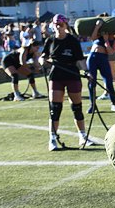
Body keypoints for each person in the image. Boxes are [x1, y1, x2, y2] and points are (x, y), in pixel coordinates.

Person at [39, 14, 92, 151]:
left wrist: (87, 71)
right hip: (56, 76)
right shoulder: (49, 41)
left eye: (61, 24)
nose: (58, 27)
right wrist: (42, 60)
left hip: (72, 75)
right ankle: (52, 138)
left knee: (77, 107)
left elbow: (80, 60)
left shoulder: (73, 41)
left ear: (65, 25)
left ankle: (83, 136)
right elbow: (43, 56)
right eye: (56, 24)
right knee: (55, 109)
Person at [85, 20, 115, 113]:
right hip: (92, 58)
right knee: (92, 82)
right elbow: (92, 38)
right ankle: (92, 105)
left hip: (103, 59)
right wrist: (97, 27)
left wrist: (106, 41)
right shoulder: (100, 34)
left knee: (109, 82)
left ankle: (113, 104)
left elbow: (111, 52)